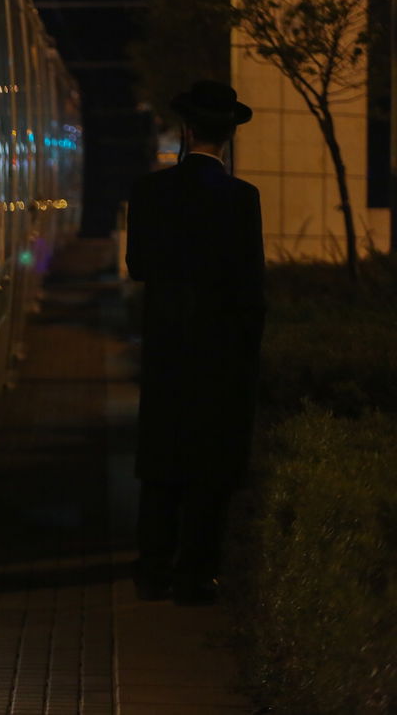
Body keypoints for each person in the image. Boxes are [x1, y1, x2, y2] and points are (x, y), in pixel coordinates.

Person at [125, 80, 266, 606]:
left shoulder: (150, 192)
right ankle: (196, 574)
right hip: (221, 351)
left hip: (167, 345)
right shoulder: (242, 199)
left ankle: (152, 569)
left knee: (161, 458)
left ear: (186, 131)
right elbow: (251, 288)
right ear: (229, 136)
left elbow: (138, 267)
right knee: (212, 463)